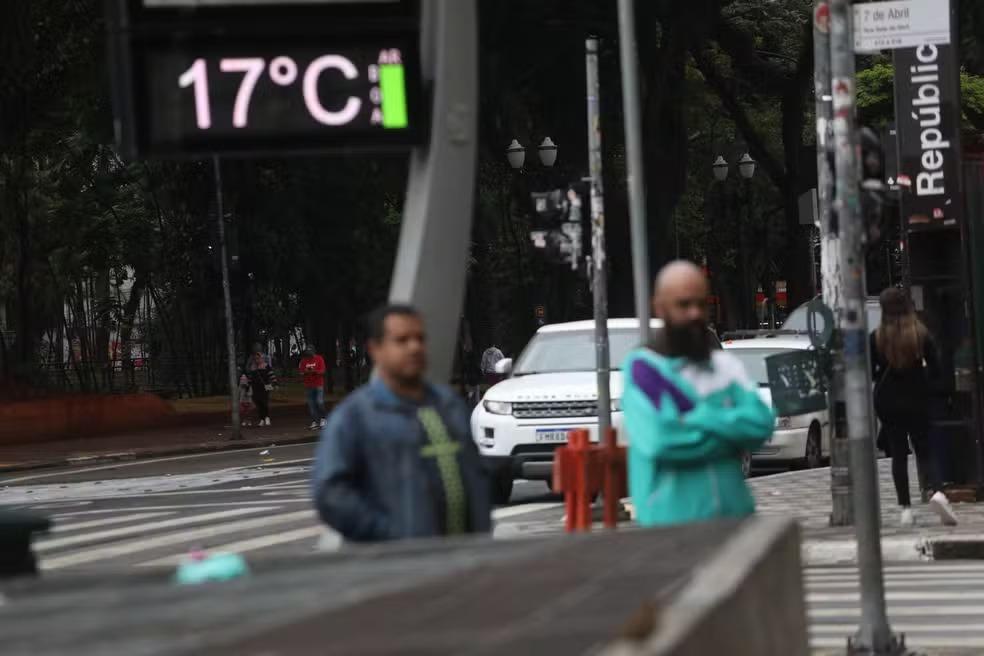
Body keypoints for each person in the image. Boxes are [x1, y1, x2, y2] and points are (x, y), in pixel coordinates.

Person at [311, 304, 491, 542]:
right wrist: (389, 535)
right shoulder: (355, 417)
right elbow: (331, 494)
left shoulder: (450, 406)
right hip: (398, 568)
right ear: (375, 349)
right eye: (402, 340)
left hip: (465, 562)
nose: (414, 347)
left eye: (419, 338)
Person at [622, 261, 775, 527]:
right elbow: (662, 441)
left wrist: (698, 417)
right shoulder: (644, 369)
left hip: (736, 520)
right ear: (660, 308)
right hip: (672, 526)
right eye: (683, 304)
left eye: (702, 304)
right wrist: (732, 436)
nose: (694, 313)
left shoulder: (724, 365)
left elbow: (762, 424)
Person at [871, 287, 958, 527]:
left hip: (888, 403)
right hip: (917, 399)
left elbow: (870, 372)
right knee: (925, 450)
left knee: (899, 455)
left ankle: (905, 509)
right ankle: (938, 491)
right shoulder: (921, 334)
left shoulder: (876, 337)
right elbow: (938, 372)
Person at [298, 345, 327, 430]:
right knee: (311, 405)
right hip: (308, 385)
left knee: (319, 402)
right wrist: (306, 372)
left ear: (313, 351)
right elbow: (301, 372)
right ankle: (315, 421)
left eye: (310, 352)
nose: (308, 354)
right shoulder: (303, 360)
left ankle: (323, 419)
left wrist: (314, 371)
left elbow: (323, 371)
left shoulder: (319, 359)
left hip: (318, 384)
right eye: (307, 352)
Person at [246, 350, 276, 426]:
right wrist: (248, 386)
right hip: (255, 387)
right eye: (255, 358)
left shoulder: (266, 366)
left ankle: (267, 417)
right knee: (258, 403)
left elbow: (271, 375)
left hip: (265, 386)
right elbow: (250, 378)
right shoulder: (253, 367)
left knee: (264, 402)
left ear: (262, 358)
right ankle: (262, 419)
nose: (257, 360)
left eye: (258, 358)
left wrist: (275, 383)